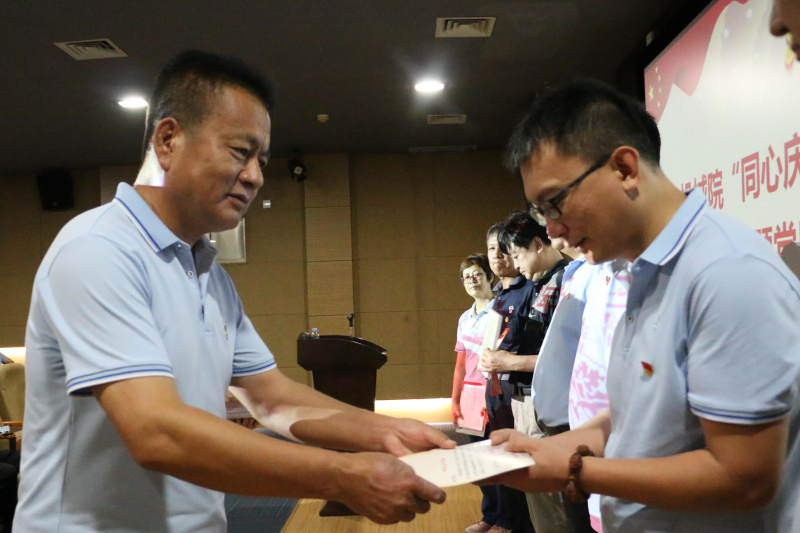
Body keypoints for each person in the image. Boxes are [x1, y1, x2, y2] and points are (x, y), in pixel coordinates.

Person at [15, 50, 455, 533]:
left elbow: (271, 400)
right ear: (168, 140)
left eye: (261, 160)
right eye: (239, 152)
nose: (255, 176)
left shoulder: (207, 271)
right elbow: (154, 432)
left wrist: (390, 431)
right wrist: (343, 476)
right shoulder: (97, 250)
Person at [483, 78, 800, 533]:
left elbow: (744, 477)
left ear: (625, 168)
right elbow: (639, 416)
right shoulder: (641, 271)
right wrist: (554, 449)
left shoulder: (726, 273)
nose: (552, 231)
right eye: (541, 212)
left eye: (555, 203)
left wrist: (576, 470)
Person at [481, 212, 571, 533]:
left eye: (517, 255)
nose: (515, 265)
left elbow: (567, 359)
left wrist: (509, 363)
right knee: (539, 505)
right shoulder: (539, 283)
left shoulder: (567, 280)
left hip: (549, 405)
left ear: (537, 244)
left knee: (555, 507)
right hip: (527, 400)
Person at [475, 224, 536, 533]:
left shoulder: (530, 288)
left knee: (517, 458)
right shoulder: (498, 292)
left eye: (502, 249)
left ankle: (519, 524)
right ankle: (503, 519)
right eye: (490, 249)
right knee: (498, 454)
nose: (496, 256)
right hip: (495, 384)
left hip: (519, 386)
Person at [452, 254, 497, 533]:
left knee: (498, 459)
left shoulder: (500, 311)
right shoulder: (465, 317)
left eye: (477, 274)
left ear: (489, 277)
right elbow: (460, 364)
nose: (472, 280)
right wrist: (455, 400)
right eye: (466, 277)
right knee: (478, 462)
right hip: (470, 395)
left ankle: (506, 521)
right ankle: (489, 516)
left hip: (494, 394)